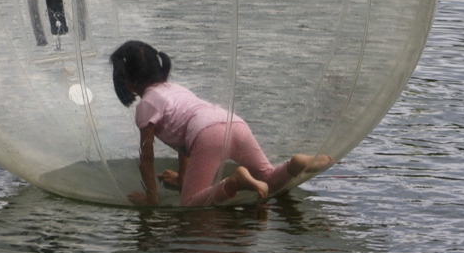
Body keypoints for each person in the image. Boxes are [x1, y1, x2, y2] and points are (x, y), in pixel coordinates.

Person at [111, 40, 334, 206]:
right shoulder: (175, 90)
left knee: (189, 204)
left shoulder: (146, 106)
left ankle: (233, 182)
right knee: (269, 179)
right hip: (233, 123)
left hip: (207, 135)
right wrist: (182, 178)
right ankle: (294, 164)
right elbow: (183, 144)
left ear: (126, 79)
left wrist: (151, 197)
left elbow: (146, 158)